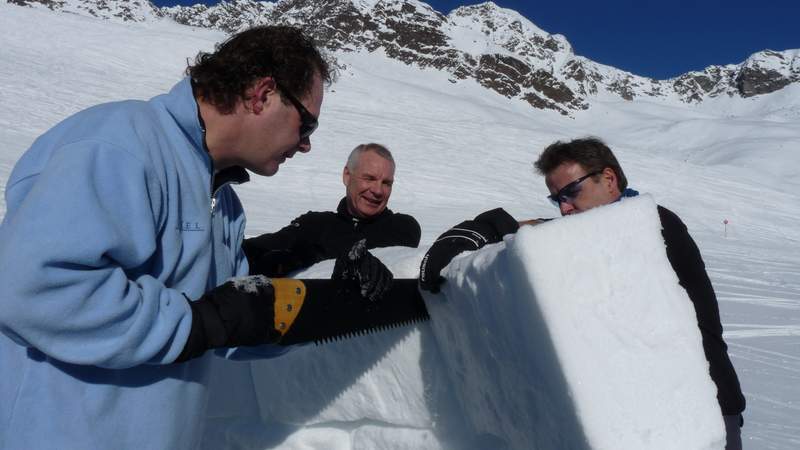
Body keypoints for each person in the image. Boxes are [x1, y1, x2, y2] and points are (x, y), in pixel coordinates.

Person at [0, 26, 389, 450]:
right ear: (262, 94)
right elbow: (29, 289)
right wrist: (197, 321)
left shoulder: (223, 203)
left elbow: (231, 323)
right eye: (305, 123)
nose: (307, 144)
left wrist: (330, 304)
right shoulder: (121, 144)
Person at [419, 137, 746, 450]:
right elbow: (543, 228)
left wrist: (502, 228)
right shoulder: (599, 229)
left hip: (706, 407)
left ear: (608, 179)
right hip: (648, 416)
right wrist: (485, 228)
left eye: (572, 192)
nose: (565, 208)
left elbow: (560, 233)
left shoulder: (655, 225)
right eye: (557, 198)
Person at [243, 143, 421, 276]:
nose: (378, 190)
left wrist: (307, 256)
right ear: (347, 176)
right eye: (369, 178)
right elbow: (253, 250)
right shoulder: (313, 224)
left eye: (386, 183)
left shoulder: (402, 227)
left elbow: (361, 249)